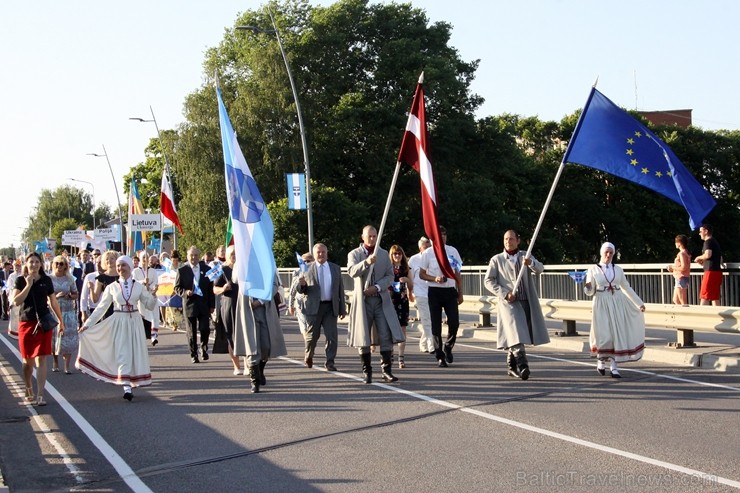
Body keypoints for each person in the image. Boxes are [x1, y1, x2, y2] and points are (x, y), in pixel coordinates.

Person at [76, 255, 157, 401]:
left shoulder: (138, 286)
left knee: (134, 352)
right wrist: (87, 324)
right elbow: (101, 308)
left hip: (135, 322)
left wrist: (153, 294)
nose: (120, 268)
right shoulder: (111, 287)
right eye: (118, 266)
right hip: (119, 321)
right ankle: (126, 386)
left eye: (123, 265)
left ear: (130, 267)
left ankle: (132, 380)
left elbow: (149, 305)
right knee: (122, 352)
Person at [484, 230, 550, 380]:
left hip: (525, 300)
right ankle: (523, 365)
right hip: (509, 302)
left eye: (511, 239)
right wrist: (504, 293)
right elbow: (488, 281)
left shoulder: (525, 255)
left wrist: (531, 263)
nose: (508, 241)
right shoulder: (497, 259)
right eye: (506, 239)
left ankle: (510, 366)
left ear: (518, 240)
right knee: (516, 334)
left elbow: (540, 268)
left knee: (516, 334)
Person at [347, 225, 404, 384]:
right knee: (363, 335)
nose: (372, 239)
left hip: (380, 300)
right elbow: (352, 271)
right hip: (363, 301)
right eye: (369, 236)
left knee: (385, 333)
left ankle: (386, 370)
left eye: (374, 236)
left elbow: (389, 275)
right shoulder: (354, 254)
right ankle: (367, 371)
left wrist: (377, 287)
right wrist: (366, 262)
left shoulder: (384, 254)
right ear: (363, 237)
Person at [584, 242, 646, 378]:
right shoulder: (593, 269)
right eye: (606, 252)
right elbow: (590, 291)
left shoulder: (618, 269)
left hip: (617, 302)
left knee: (615, 334)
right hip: (601, 303)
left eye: (611, 252)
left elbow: (626, 287)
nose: (608, 255)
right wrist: (588, 287)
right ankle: (601, 361)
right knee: (603, 335)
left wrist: (639, 303)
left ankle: (613, 366)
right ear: (601, 253)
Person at [12, 252, 65, 406]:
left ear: (41, 264)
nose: (34, 265)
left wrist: (60, 320)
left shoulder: (46, 280)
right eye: (31, 262)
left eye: (37, 262)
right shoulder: (20, 280)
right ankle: (28, 386)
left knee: (41, 359)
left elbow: (53, 302)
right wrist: (28, 285)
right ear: (26, 264)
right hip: (26, 323)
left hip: (43, 323)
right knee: (27, 363)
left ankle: (41, 394)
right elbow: (16, 301)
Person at [233, 275, 287, 393]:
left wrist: (261, 300)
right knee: (252, 346)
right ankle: (254, 380)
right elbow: (235, 279)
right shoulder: (243, 262)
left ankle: (260, 369)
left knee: (266, 345)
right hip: (248, 308)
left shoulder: (266, 263)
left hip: (265, 307)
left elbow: (274, 285)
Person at [297, 243, 346, 371]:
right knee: (312, 336)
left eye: (323, 252)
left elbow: (340, 289)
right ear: (314, 254)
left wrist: (342, 308)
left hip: (330, 307)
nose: (321, 254)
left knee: (332, 336)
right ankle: (309, 355)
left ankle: (330, 362)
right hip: (314, 308)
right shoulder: (307, 269)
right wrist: (301, 284)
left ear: (327, 253)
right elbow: (301, 290)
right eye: (318, 252)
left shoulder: (335, 268)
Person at [419, 226, 463, 367]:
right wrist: (434, 278)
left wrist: (460, 292)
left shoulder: (452, 251)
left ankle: (448, 347)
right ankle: (439, 355)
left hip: (450, 290)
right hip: (435, 291)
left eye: (444, 234)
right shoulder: (428, 253)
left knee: (454, 322)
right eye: (440, 235)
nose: (442, 237)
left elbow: (457, 272)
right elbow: (421, 274)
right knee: (435, 325)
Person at [174, 246, 215, 363]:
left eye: (196, 255)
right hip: (189, 304)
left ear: (199, 256)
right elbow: (177, 288)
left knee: (205, 329)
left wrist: (212, 305)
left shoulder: (207, 269)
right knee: (191, 332)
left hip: (204, 304)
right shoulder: (182, 270)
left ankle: (204, 348)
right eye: (191, 255)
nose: (193, 257)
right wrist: (185, 292)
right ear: (187, 256)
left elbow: (210, 289)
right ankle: (193, 354)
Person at [213, 245, 242, 375]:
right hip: (228, 305)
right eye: (232, 254)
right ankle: (236, 366)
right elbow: (214, 289)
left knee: (244, 335)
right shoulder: (222, 270)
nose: (235, 256)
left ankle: (248, 364)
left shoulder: (243, 268)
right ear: (227, 256)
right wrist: (223, 288)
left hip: (242, 305)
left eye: (236, 253)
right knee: (230, 336)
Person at [49, 255, 79, 374]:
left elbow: (76, 294)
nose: (59, 266)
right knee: (54, 338)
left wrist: (68, 296)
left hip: (67, 311)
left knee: (67, 338)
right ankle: (55, 361)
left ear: (66, 265)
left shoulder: (70, 278)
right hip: (54, 312)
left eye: (61, 264)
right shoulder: (49, 278)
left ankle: (67, 366)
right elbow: (45, 295)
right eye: (57, 263)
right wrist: (55, 296)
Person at [408, 237, 434, 354]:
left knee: (431, 320)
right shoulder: (413, 260)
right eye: (425, 246)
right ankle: (431, 344)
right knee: (426, 319)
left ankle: (423, 343)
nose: (427, 248)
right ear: (420, 247)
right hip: (420, 293)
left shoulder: (434, 257)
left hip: (433, 292)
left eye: (429, 246)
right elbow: (410, 277)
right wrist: (410, 292)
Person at [389, 244, 413, 368]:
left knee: (403, 329)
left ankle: (401, 357)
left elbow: (411, 286)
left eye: (399, 253)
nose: (397, 256)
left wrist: (407, 280)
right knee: (390, 330)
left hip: (402, 301)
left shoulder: (406, 268)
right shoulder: (388, 268)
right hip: (391, 300)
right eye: (395, 254)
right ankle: (390, 354)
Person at [694, 224, 722, 306]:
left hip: (710, 272)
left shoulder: (708, 242)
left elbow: (708, 255)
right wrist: (703, 261)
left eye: (700, 231)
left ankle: (702, 317)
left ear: (706, 231)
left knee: (704, 296)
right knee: (714, 297)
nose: (699, 233)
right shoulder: (715, 242)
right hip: (717, 272)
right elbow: (720, 259)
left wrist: (698, 258)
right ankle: (717, 317)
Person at [288, 252, 314, 336]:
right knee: (304, 327)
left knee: (312, 328)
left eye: (308, 261)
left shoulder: (316, 272)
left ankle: (309, 342)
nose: (306, 263)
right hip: (300, 303)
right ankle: (307, 341)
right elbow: (292, 291)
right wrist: (291, 305)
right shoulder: (297, 272)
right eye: (304, 261)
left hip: (313, 303)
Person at [92, 250, 119, 320]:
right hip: (107, 311)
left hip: (121, 310)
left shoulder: (122, 276)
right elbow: (95, 299)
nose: (109, 260)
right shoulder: (101, 278)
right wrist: (91, 288)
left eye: (112, 258)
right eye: (107, 259)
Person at [667, 234, 691, 306]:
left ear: (679, 243)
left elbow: (684, 267)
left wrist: (672, 267)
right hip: (680, 278)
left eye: (676, 242)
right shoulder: (686, 252)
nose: (675, 244)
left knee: (682, 301)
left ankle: (686, 315)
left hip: (681, 278)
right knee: (676, 300)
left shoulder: (682, 253)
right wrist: (674, 269)